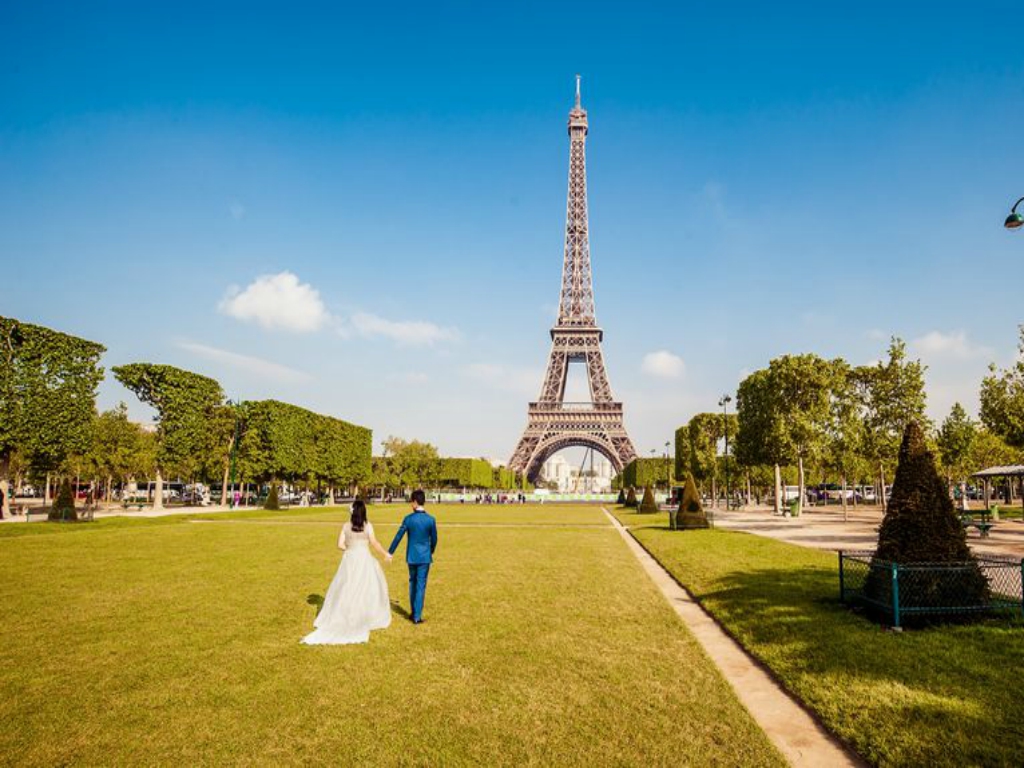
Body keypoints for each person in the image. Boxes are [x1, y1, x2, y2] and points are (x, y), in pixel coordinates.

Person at [302, 500, 393, 645]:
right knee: (366, 588)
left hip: (350, 559)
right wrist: (385, 554)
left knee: (347, 587)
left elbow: (340, 545)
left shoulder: (345, 526)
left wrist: (350, 550)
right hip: (364, 558)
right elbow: (374, 543)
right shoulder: (368, 526)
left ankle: (346, 614)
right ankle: (363, 614)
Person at [388, 489, 438, 624]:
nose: (411, 504)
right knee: (421, 585)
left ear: (415, 502)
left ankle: (413, 613)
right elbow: (434, 539)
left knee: (412, 583)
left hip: (411, 556)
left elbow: (399, 536)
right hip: (425, 557)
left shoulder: (408, 519)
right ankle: (417, 616)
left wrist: (390, 551)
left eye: (411, 502)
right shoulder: (430, 520)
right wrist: (431, 550)